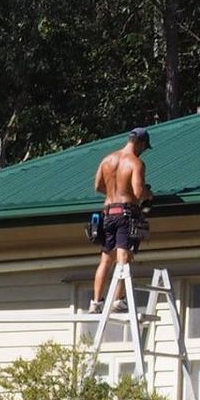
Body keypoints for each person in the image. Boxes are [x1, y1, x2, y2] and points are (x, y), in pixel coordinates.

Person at [89, 128, 154, 312]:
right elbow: (138, 192)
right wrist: (149, 194)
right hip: (126, 213)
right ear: (140, 143)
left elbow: (97, 186)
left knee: (105, 258)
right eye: (144, 147)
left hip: (108, 212)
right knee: (124, 257)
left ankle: (96, 302)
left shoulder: (107, 159)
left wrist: (114, 193)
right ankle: (118, 300)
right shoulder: (136, 163)